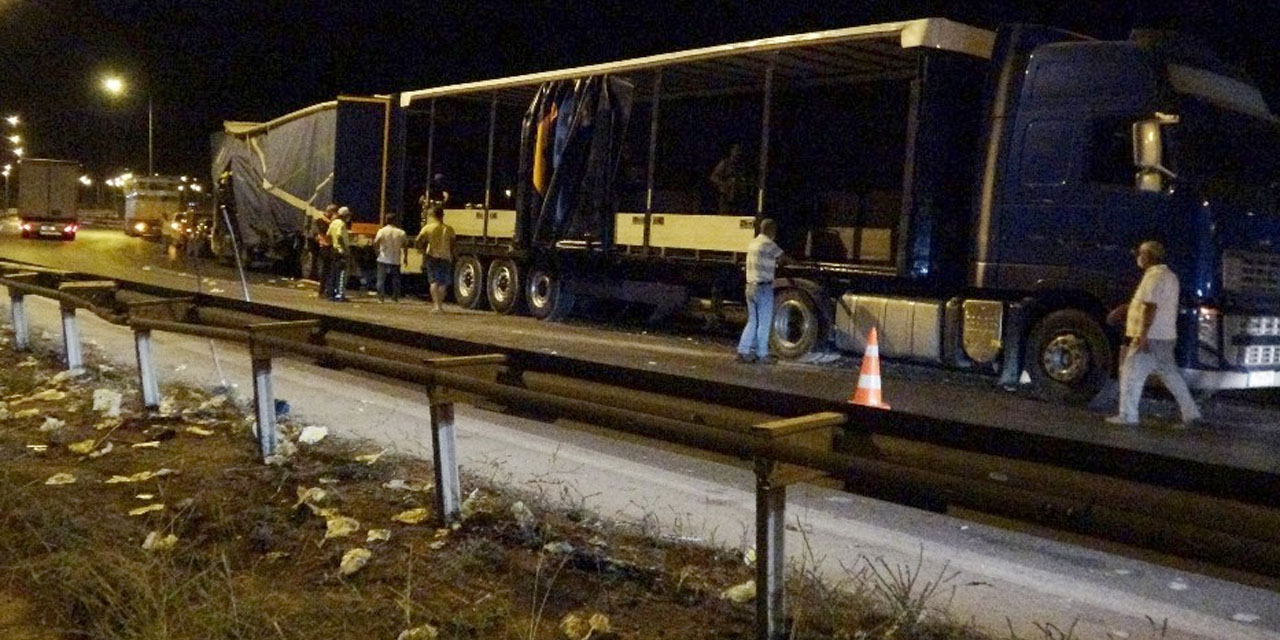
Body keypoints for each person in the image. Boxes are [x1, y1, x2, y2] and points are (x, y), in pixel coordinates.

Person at [1107, 240, 1202, 427]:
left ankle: (1128, 415)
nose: (1138, 258)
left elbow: (1150, 307)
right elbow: (1149, 303)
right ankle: (1191, 413)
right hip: (1166, 336)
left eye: (1141, 254)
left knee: (1131, 374)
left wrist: (1143, 336)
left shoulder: (1154, 276)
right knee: (1171, 375)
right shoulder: (1170, 276)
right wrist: (1124, 309)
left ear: (1149, 256)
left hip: (1151, 337)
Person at [737, 218, 788, 364]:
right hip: (763, 288)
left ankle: (743, 351)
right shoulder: (768, 244)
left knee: (752, 321)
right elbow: (783, 258)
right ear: (771, 230)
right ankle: (762, 354)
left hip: (750, 286)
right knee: (764, 322)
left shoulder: (753, 243)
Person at [415, 205, 456, 312]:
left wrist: (421, 249)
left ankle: (436, 306)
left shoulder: (428, 228)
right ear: (442, 215)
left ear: (433, 215)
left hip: (432, 256)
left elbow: (418, 240)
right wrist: (451, 254)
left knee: (433, 282)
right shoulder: (449, 229)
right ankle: (440, 306)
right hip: (445, 256)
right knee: (443, 283)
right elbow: (452, 244)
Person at [373, 214, 408, 302]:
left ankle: (381, 298)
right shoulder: (401, 232)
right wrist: (405, 257)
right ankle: (395, 297)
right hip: (395, 258)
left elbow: (375, 242)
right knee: (395, 279)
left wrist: (377, 252)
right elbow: (405, 246)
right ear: (395, 221)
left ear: (386, 220)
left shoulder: (382, 231)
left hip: (383, 257)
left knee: (381, 279)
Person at [709, 144, 745, 214]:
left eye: (739, 151)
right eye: (736, 151)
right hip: (725, 195)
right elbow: (713, 177)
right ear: (732, 151)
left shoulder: (740, 166)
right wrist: (724, 184)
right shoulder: (725, 163)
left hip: (737, 196)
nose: (738, 153)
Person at [327, 206, 352, 302]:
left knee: (333, 273)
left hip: (334, 250)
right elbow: (339, 237)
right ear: (345, 216)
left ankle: (331, 294)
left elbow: (328, 235)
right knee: (341, 274)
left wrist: (333, 245)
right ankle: (339, 295)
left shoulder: (333, 223)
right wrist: (345, 249)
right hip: (341, 252)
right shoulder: (341, 224)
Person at [315, 205, 337, 298]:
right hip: (325, 247)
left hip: (328, 247)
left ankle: (324, 290)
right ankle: (323, 291)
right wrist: (332, 221)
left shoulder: (325, 221)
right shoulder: (321, 221)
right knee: (327, 271)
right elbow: (326, 232)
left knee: (327, 270)